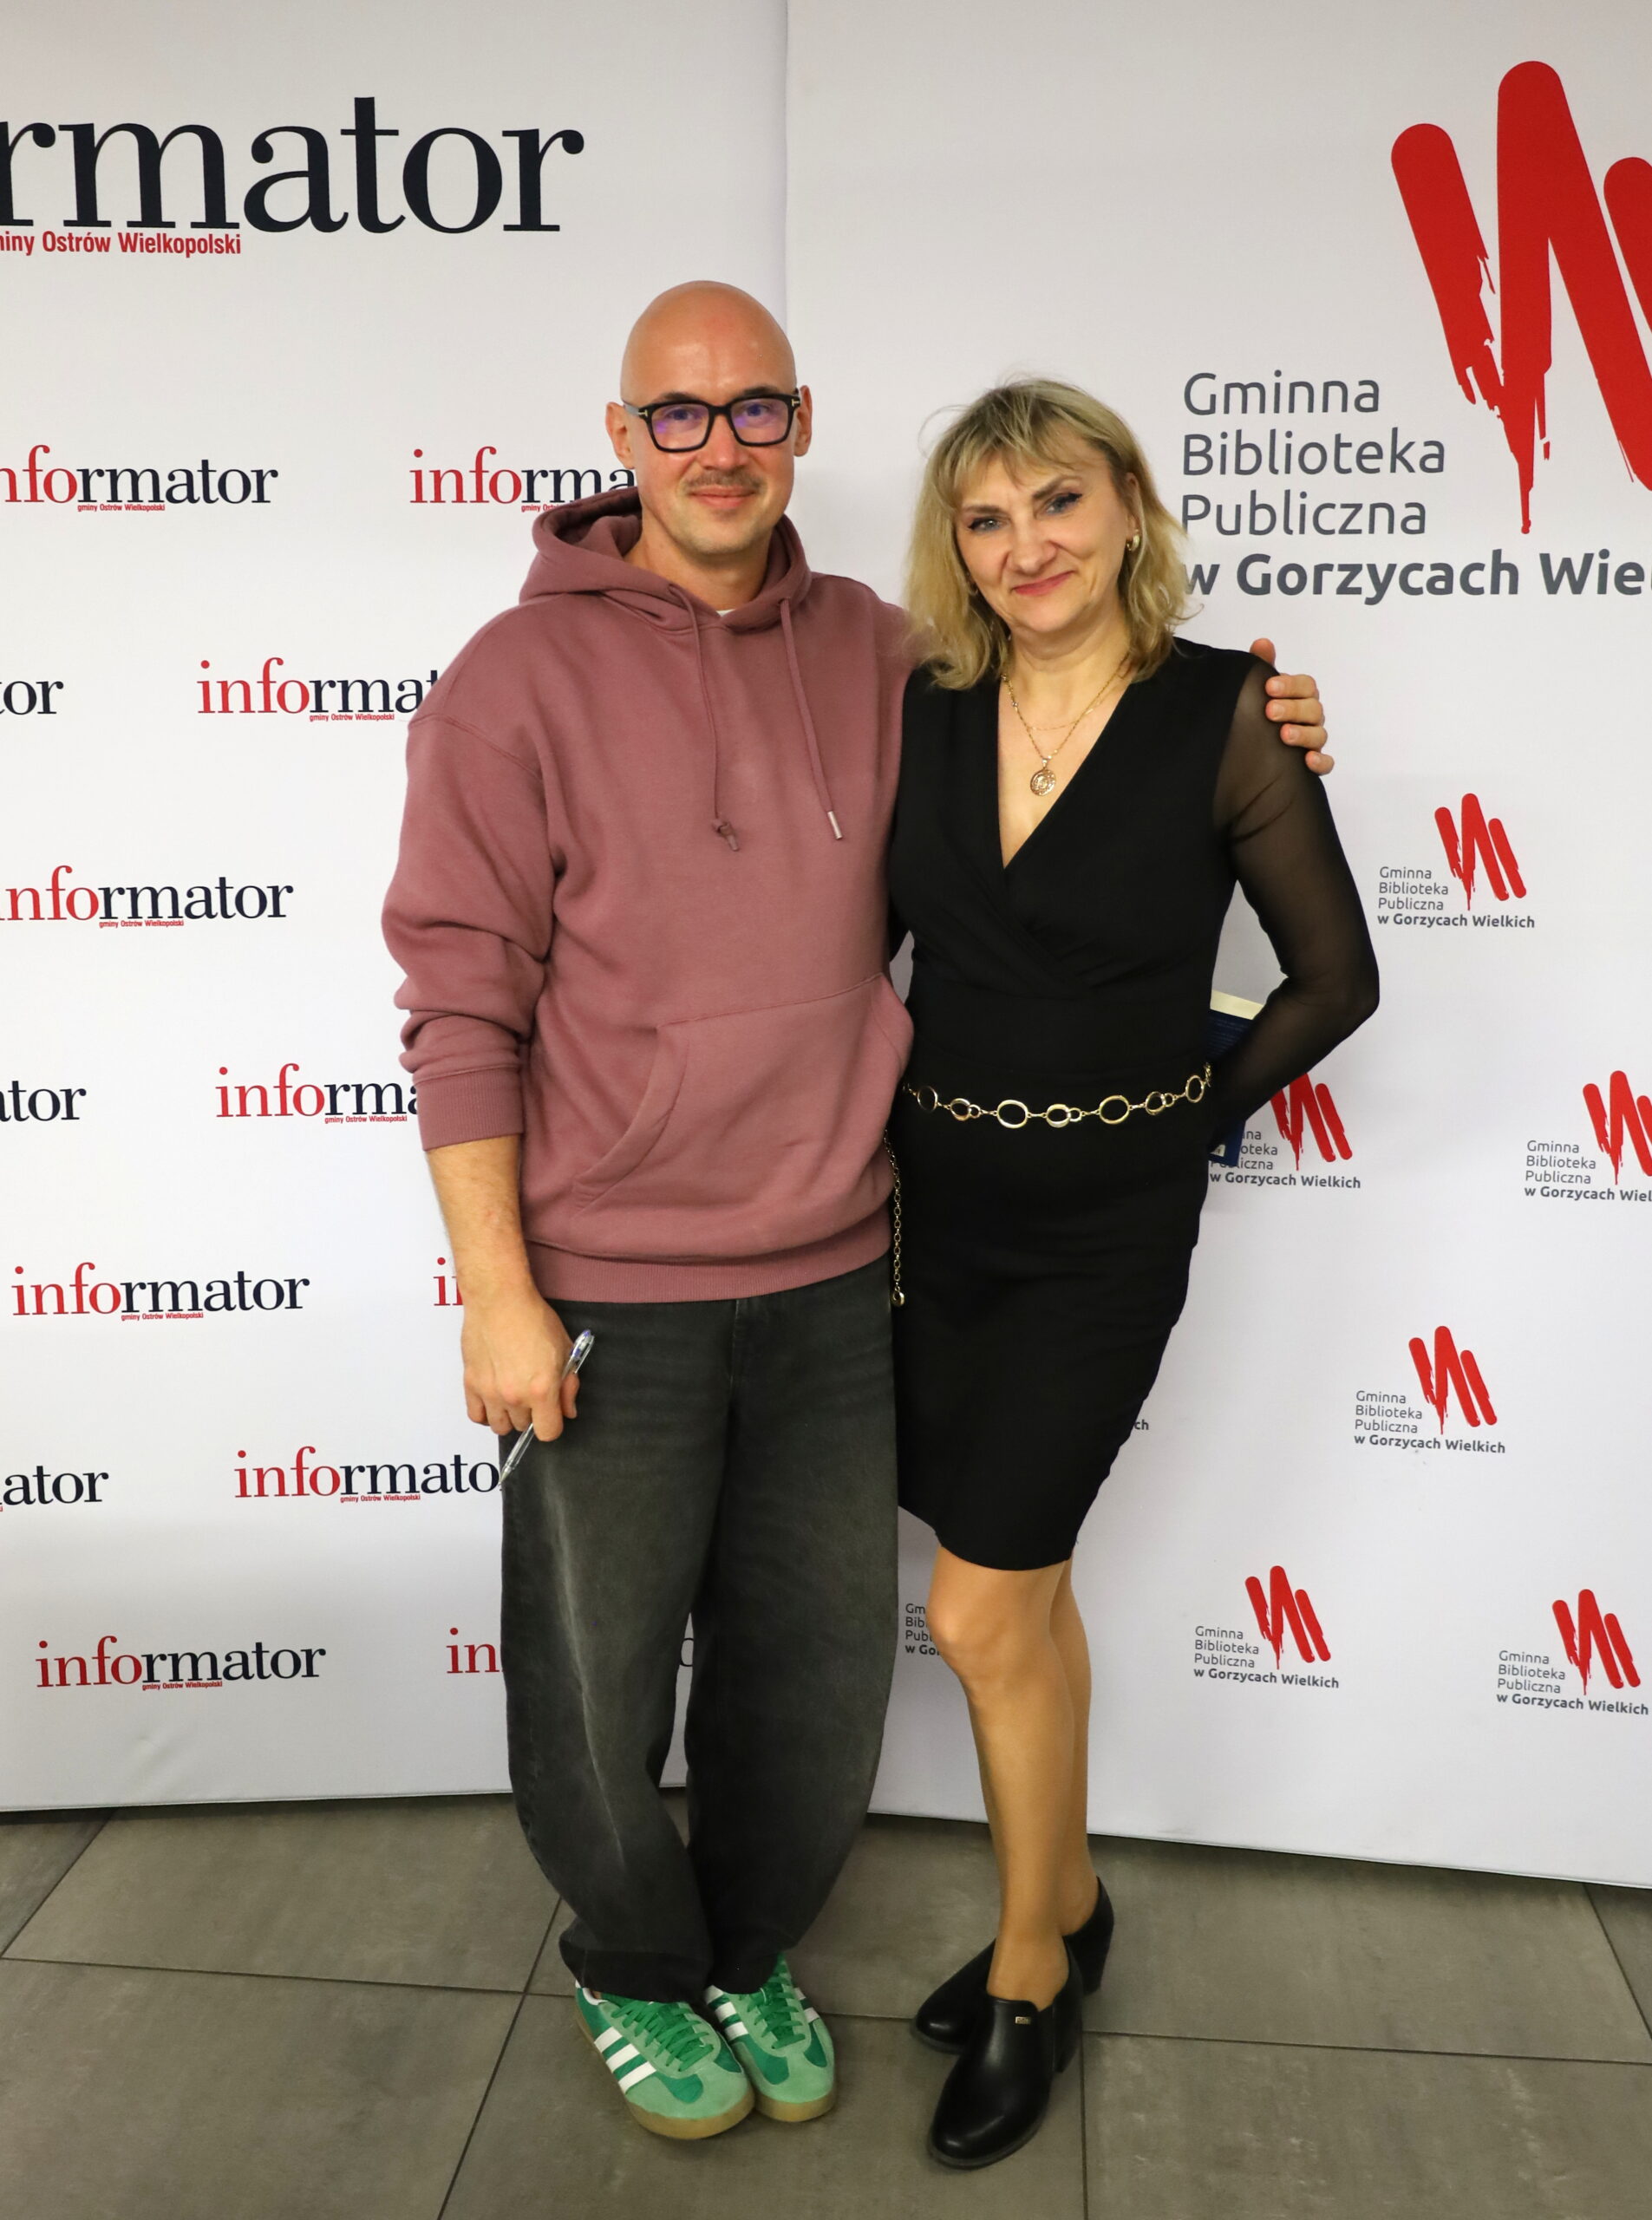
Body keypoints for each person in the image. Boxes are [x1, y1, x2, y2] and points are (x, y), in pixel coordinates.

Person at [382, 285, 1333, 2145]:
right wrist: (494, 1286)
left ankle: (750, 1945)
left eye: (755, 406)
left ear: (801, 423)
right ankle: (634, 1961)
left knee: (812, 1669)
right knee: (594, 1670)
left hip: (842, 1262)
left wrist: (1252, 716)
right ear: (621, 435)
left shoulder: (889, 658)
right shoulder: (511, 679)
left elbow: (1086, 729)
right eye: (677, 414)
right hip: (612, 1280)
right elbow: (458, 999)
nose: (718, 444)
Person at [886, 378, 1379, 2170]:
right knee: (1020, 1596)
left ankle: (1030, 1972)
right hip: (927, 1225)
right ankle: (1075, 1894)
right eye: (986, 516)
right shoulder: (923, 707)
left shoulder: (1224, 712)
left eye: (1058, 502)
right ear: (955, 546)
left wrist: (1186, 1116)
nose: (1026, 546)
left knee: (971, 1613)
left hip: (1100, 1241)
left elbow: (1334, 979)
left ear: (1126, 510)